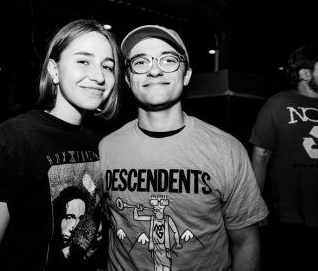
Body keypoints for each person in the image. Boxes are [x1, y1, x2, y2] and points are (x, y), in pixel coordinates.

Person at [99, 25, 268, 271]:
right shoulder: (105, 148)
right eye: (140, 62)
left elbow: (245, 243)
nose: (155, 70)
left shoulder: (227, 150)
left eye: (168, 60)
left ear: (186, 75)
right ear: (127, 78)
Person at [0, 19, 122, 271]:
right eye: (83, 61)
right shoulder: (13, 139)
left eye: (108, 66)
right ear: (54, 71)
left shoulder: (97, 141)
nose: (99, 76)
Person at [249, 44, 318, 270]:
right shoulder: (280, 102)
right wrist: (255, 205)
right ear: (305, 74)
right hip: (290, 217)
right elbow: (260, 156)